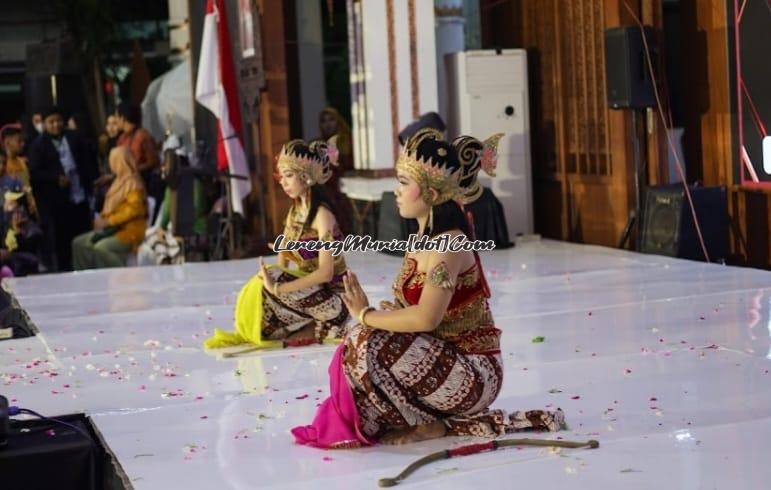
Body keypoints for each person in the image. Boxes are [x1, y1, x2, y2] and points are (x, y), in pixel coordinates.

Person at [292, 129, 565, 448]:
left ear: (433, 194)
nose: (395, 191)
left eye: (404, 183)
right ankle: (418, 415)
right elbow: (408, 311)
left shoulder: (449, 244)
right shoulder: (420, 241)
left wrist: (365, 315)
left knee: (366, 338)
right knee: (358, 362)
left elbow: (425, 319)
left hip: (473, 371)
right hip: (440, 360)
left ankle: (428, 425)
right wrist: (379, 313)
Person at [204, 139, 350, 350]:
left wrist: (280, 288)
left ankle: (325, 325)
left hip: (336, 302)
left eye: (288, 175)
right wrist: (270, 282)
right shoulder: (294, 214)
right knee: (266, 289)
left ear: (306, 176)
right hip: (311, 295)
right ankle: (308, 327)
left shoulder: (322, 217)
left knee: (276, 280)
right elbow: (283, 263)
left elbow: (326, 274)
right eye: (282, 176)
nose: (283, 182)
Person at [28, 106, 97, 272]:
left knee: (83, 234)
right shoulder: (38, 145)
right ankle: (66, 270)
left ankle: (86, 268)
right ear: (44, 124)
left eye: (58, 120)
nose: (55, 125)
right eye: (51, 122)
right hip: (57, 202)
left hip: (79, 195)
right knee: (62, 240)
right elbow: (35, 173)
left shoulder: (75, 138)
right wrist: (55, 179)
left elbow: (87, 161)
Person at [71, 147, 147, 270]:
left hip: (130, 230)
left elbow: (135, 210)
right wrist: (102, 221)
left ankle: (118, 277)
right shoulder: (118, 181)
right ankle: (85, 279)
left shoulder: (133, 183)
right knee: (78, 243)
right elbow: (110, 208)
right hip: (112, 229)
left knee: (101, 248)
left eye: (113, 161)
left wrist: (108, 221)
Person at [116, 102, 162, 214]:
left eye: (117, 117)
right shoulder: (121, 139)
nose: (116, 120)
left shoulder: (142, 136)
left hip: (145, 187)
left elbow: (154, 162)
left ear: (123, 118)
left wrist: (134, 169)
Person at [317, 107, 354, 236]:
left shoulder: (348, 140)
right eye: (324, 121)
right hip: (328, 191)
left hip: (346, 190)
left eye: (331, 120)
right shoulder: (319, 144)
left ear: (338, 121)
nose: (327, 124)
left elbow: (350, 164)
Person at [0, 181, 42, 277]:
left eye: (12, 204)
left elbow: (30, 248)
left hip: (21, 261)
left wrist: (18, 233)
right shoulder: (3, 220)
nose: (7, 207)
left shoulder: (30, 225)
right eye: (8, 203)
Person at [1, 124, 38, 217]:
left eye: (23, 140)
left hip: (32, 209)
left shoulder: (22, 161)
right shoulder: (3, 167)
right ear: (7, 143)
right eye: (19, 141)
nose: (23, 144)